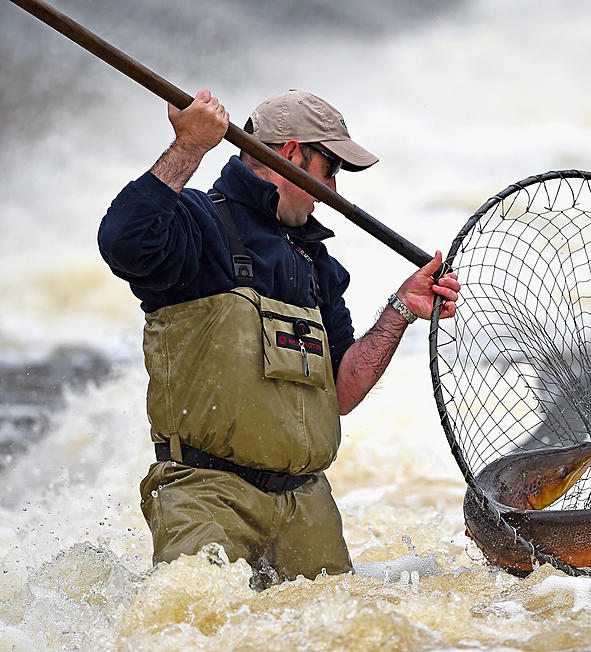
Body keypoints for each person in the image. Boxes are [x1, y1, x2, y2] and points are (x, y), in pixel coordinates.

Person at [98, 89, 460, 586]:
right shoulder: (199, 225)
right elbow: (124, 240)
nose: (333, 189)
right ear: (290, 155)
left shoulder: (318, 266)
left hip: (306, 504)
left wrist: (400, 310)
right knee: (197, 623)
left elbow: (343, 391)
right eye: (329, 169)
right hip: (208, 492)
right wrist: (189, 147)